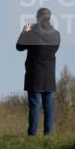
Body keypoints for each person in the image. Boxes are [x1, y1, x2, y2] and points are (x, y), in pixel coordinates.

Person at [16, 7, 61, 136]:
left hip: (35, 75)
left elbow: (19, 46)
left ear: (38, 18)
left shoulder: (32, 34)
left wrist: (25, 32)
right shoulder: (56, 34)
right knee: (49, 107)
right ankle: (48, 134)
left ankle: (32, 134)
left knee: (35, 106)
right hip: (49, 76)